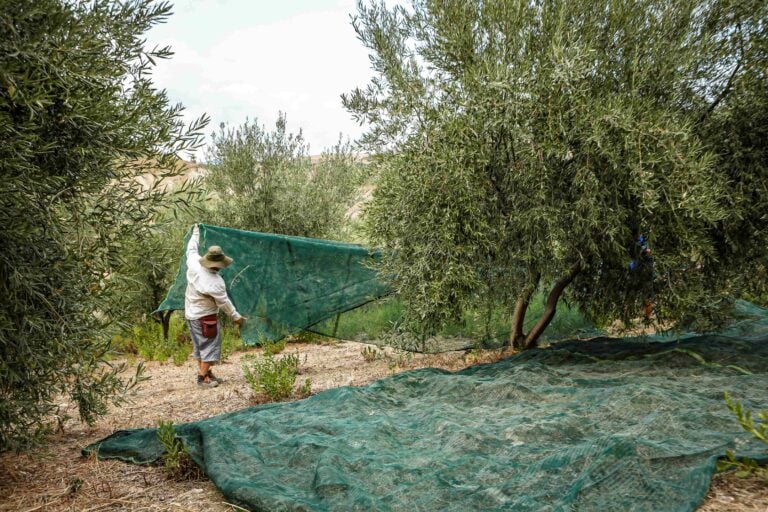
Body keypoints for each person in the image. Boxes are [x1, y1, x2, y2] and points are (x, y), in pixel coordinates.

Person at [185, 224, 246, 388]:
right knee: (210, 347)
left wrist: (196, 232)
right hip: (206, 317)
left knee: (200, 347)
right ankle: (201, 377)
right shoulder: (215, 282)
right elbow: (224, 303)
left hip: (191, 315)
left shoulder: (194, 263)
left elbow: (191, 249)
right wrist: (237, 318)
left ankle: (207, 376)